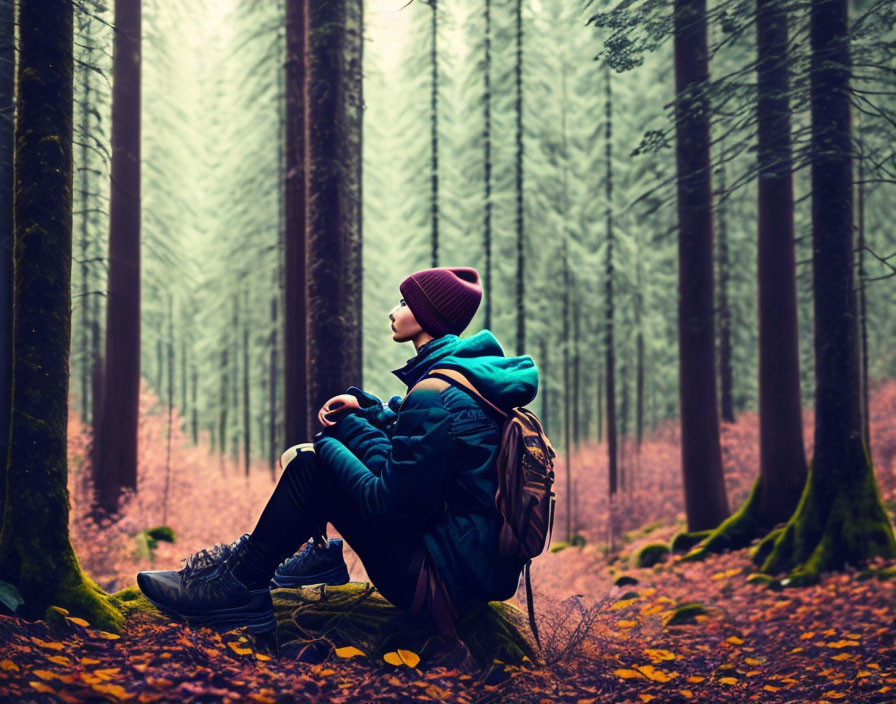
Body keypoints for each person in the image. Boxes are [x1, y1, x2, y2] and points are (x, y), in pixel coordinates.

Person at [137, 266, 539, 639]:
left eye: (404, 303)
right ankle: (284, 566)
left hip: (437, 587)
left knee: (314, 466)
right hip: (461, 571)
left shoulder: (434, 396)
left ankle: (242, 585)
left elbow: (385, 504)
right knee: (324, 459)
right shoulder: (464, 382)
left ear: (427, 317)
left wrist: (329, 443)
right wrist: (366, 412)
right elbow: (418, 440)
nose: (393, 310)